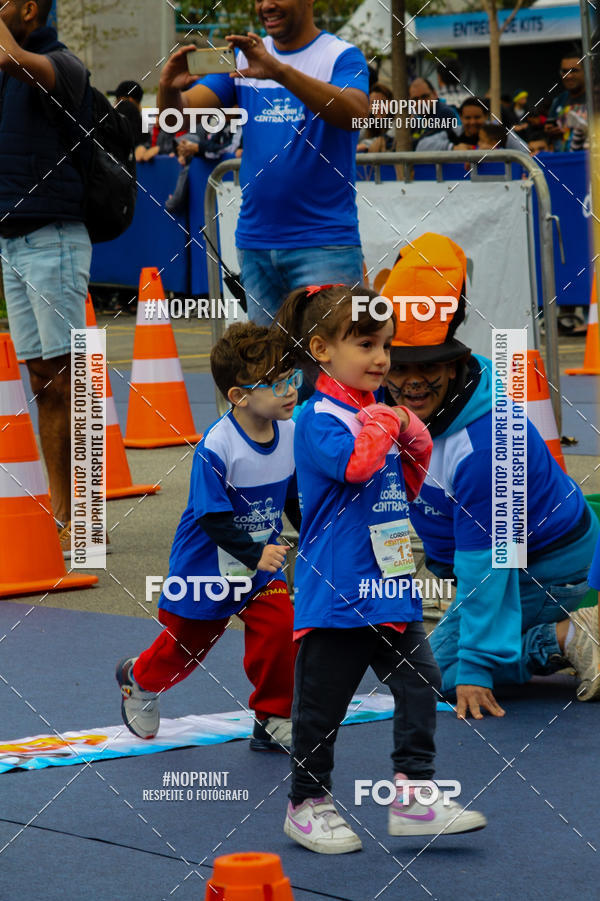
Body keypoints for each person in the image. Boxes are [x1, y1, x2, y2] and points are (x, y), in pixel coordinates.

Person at [274, 284, 487, 854]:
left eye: (385, 345)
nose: (382, 358)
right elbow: (357, 466)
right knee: (321, 709)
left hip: (391, 586)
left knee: (423, 684)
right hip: (340, 591)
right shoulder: (320, 417)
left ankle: (415, 796)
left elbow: (401, 479)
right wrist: (392, 423)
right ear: (321, 349)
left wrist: (412, 440)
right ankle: (307, 804)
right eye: (366, 344)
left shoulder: (374, 413)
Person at [381, 233, 600, 719]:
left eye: (429, 366)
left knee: (433, 677)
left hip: (544, 564)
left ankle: (570, 634)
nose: (412, 381)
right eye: (399, 366)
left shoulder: (486, 443)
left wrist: (479, 667)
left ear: (457, 362)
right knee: (406, 662)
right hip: (476, 564)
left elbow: (494, 562)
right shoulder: (383, 399)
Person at [116, 322, 301, 751]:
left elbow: (294, 495)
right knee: (185, 649)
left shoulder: (291, 433)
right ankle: (138, 680)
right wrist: (256, 553)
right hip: (207, 562)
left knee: (279, 630)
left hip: (259, 564)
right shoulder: (217, 446)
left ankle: (272, 718)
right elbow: (212, 518)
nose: (291, 390)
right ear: (239, 396)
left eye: (293, 377)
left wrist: (311, 533)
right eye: (277, 384)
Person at [157, 0, 370, 326]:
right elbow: (178, 117)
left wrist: (279, 71)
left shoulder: (341, 55)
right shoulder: (243, 58)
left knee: (332, 368)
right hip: (256, 245)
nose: (266, 4)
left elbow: (355, 113)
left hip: (324, 244)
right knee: (269, 369)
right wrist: (168, 90)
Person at [0, 0, 91, 546]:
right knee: (44, 381)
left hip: (53, 238)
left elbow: (14, 59)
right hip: (14, 240)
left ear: (29, 8)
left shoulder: (61, 62)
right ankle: (63, 508)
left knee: (70, 381)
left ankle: (88, 515)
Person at [547, 50, 587, 151]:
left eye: (574, 71)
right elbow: (549, 127)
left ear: (587, 70)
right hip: (564, 161)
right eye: (564, 71)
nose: (568, 76)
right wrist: (551, 131)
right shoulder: (559, 101)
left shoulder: (595, 97)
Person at [409, 77, 460, 150]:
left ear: (435, 94)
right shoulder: (416, 117)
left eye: (424, 97)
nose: (420, 102)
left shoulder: (444, 113)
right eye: (415, 99)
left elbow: (421, 145)